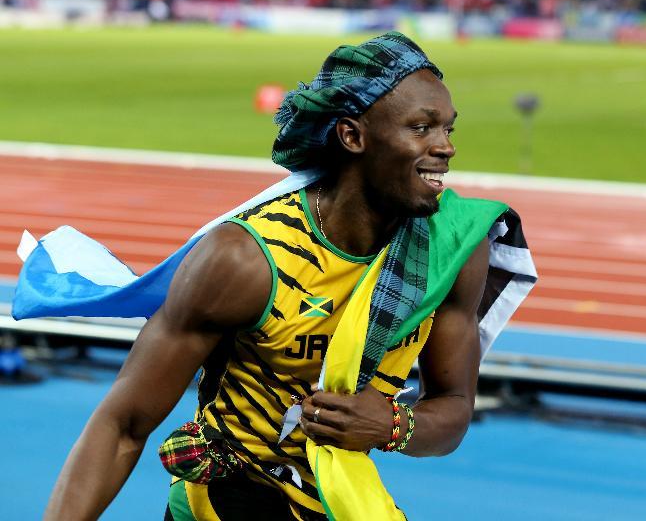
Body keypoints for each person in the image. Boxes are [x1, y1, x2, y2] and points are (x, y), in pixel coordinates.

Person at [32, 32, 536, 520]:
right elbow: (123, 424)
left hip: (333, 500)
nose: (445, 147)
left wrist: (393, 425)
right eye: (422, 127)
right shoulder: (245, 259)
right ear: (353, 136)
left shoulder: (454, 249)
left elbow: (452, 410)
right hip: (228, 493)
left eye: (448, 129)